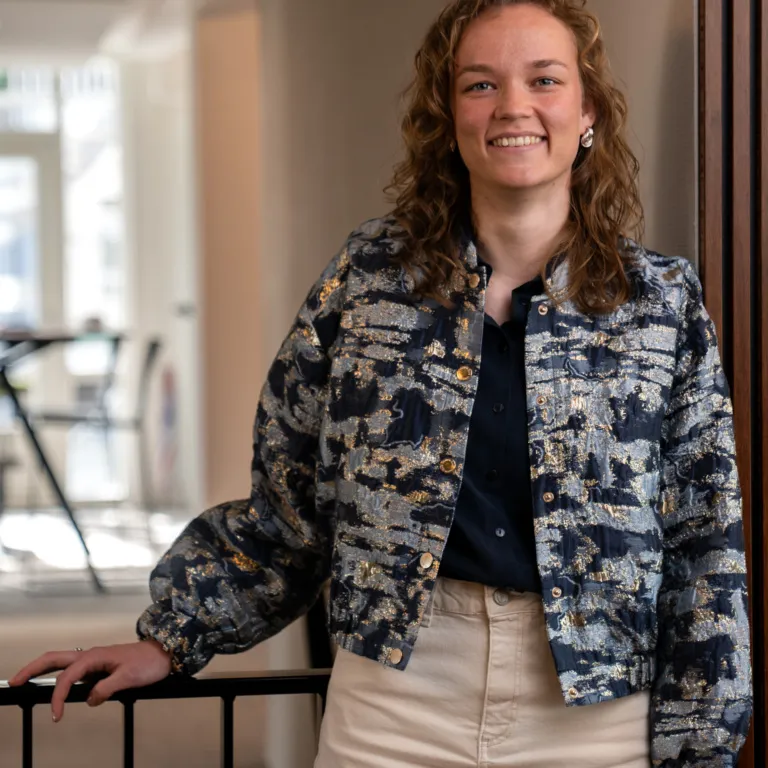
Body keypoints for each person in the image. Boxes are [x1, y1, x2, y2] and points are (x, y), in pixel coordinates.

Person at [10, 1, 753, 766]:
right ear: (449, 117)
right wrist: (170, 636)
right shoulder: (369, 281)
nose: (513, 106)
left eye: (544, 80)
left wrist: (702, 744)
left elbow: (704, 547)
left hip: (594, 714)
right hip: (396, 704)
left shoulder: (659, 302)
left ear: (588, 110)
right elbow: (292, 502)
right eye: (480, 84)